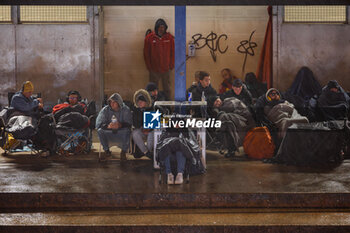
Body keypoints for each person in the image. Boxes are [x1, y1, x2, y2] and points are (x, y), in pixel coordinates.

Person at [96, 93, 132, 162]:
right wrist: (107, 126)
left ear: (119, 102)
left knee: (127, 131)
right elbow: (98, 123)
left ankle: (123, 152)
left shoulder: (125, 110)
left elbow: (129, 124)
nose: (112, 104)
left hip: (121, 133)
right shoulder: (105, 110)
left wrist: (120, 125)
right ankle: (107, 151)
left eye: (114, 102)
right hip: (108, 133)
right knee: (100, 131)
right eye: (111, 102)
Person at [144, 18, 174, 96]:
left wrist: (171, 65)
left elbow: (173, 52)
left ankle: (168, 106)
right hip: (154, 69)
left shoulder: (169, 38)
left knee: (167, 88)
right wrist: (149, 67)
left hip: (166, 69)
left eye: (163, 27)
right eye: (160, 27)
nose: (161, 29)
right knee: (152, 89)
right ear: (157, 27)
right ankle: (152, 104)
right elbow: (146, 53)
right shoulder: (149, 38)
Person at [132, 89, 154, 159]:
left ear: (146, 102)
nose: (139, 103)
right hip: (140, 130)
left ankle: (145, 151)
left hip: (150, 130)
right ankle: (146, 152)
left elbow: (154, 123)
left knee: (152, 133)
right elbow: (135, 123)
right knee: (135, 133)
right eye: (138, 101)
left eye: (142, 101)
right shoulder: (135, 109)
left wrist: (149, 129)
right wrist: (141, 128)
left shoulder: (151, 108)